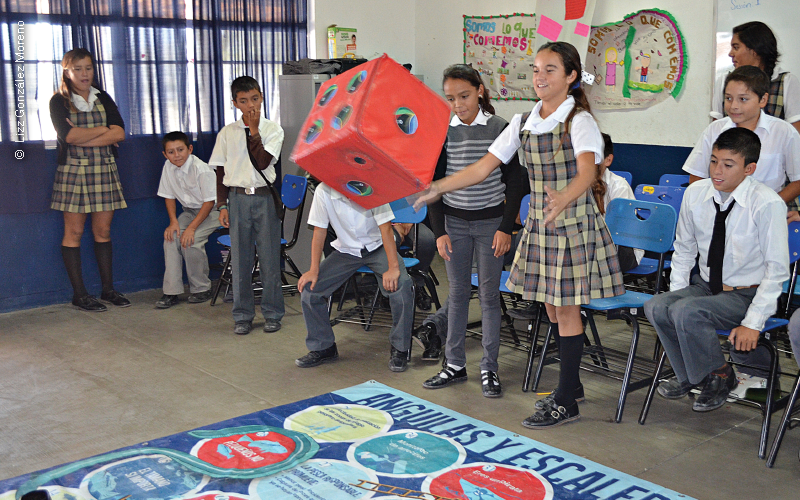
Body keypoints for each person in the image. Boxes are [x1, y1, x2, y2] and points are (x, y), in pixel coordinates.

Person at [415, 42, 624, 426]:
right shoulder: (523, 120)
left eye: (550, 70)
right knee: (550, 306)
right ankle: (571, 382)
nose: (539, 77)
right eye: (536, 69)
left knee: (565, 309)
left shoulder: (579, 121)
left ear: (570, 76)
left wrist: (562, 197)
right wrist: (439, 188)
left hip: (573, 225)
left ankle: (566, 400)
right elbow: (483, 167)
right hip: (543, 226)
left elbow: (588, 172)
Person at [643, 127, 789, 411]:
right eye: (713, 161)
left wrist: (752, 322)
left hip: (747, 292)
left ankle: (721, 375)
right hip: (707, 285)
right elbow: (684, 249)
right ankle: (690, 375)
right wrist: (679, 294)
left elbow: (777, 270)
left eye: (728, 164)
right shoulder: (696, 194)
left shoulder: (767, 203)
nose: (716, 171)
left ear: (750, 168)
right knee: (658, 306)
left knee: (688, 311)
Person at [420, 64, 525, 399]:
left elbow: (515, 180)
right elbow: (434, 187)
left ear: (480, 90)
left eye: (464, 96)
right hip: (454, 224)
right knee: (459, 294)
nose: (458, 104)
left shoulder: (499, 128)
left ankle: (489, 368)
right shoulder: (442, 132)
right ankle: (454, 364)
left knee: (491, 296)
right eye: (451, 98)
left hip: (491, 225)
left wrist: (506, 228)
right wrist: (440, 232)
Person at [294, 183, 414, 372]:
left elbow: (385, 230)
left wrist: (392, 267)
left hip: (377, 246)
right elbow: (319, 231)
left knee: (402, 285)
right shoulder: (323, 191)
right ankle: (323, 347)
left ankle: (400, 348)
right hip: (346, 251)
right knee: (310, 290)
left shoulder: (370, 186)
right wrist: (313, 269)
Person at [49, 48, 129, 312]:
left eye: (89, 68)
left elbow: (119, 134)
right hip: (73, 171)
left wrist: (88, 133)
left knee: (103, 232)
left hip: (104, 169)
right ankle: (80, 294)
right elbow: (68, 137)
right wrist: (103, 130)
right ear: (67, 71)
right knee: (73, 233)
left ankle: (108, 289)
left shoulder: (102, 97)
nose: (85, 74)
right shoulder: (58, 101)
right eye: (78, 69)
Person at [209, 76, 285, 335]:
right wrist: (222, 205)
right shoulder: (227, 133)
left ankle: (273, 313)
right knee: (240, 260)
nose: (250, 105)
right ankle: (242, 315)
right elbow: (220, 171)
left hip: (264, 198)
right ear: (235, 103)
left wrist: (254, 131)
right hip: (238, 199)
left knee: (269, 260)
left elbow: (263, 162)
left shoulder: (273, 130)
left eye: (254, 99)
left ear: (262, 97)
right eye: (243, 101)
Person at [685, 66, 800, 203]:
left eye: (743, 99)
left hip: (765, 213)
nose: (733, 106)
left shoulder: (783, 132)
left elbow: (798, 180)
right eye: (728, 98)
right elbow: (696, 177)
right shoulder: (714, 130)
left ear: (763, 100)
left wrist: (771, 206)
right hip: (720, 209)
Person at [155, 131, 219, 308]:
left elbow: (209, 202)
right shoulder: (168, 167)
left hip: (214, 211)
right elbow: (168, 196)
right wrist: (173, 222)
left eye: (180, 150)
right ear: (165, 154)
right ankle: (171, 292)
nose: (176, 155)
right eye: (171, 152)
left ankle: (201, 288)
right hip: (190, 211)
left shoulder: (201, 169)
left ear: (190, 149)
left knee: (191, 240)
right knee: (171, 237)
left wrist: (191, 228)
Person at [711, 21, 800, 135]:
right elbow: (716, 129)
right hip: (733, 151)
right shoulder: (725, 81)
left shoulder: (786, 82)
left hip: (772, 151)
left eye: (736, 47)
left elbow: (795, 133)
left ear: (755, 50)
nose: (730, 53)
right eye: (729, 98)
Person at [595, 133, 643, 272]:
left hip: (623, 250)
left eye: (594, 158)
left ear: (608, 160)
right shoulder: (575, 184)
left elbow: (618, 232)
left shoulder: (619, 187)